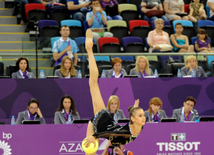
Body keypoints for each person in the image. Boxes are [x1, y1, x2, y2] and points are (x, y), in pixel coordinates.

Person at [83, 29, 145, 154]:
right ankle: (89, 50)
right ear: (132, 118)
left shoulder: (138, 128)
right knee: (93, 83)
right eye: (141, 115)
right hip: (100, 122)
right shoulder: (127, 132)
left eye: (142, 115)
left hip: (103, 123)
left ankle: (90, 50)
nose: (144, 118)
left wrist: (134, 109)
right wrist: (94, 137)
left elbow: (115, 134)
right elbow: (109, 133)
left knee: (93, 84)